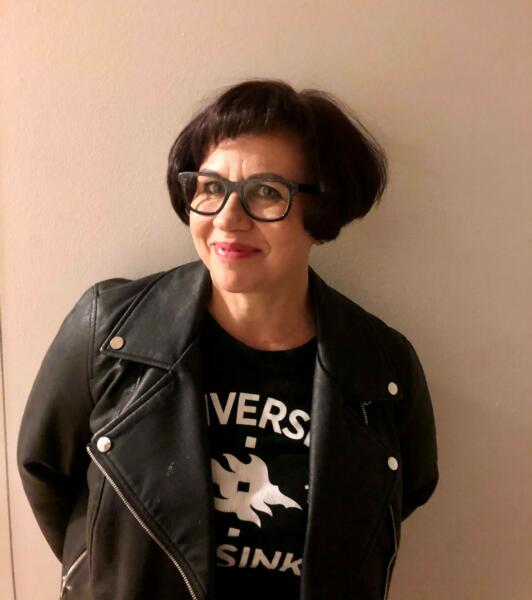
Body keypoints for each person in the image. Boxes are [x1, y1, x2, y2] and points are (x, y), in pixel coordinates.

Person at [17, 79, 438, 600]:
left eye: (267, 191)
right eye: (211, 187)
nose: (227, 218)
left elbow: (403, 493)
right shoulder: (109, 330)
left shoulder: (382, 368)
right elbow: (45, 471)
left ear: (322, 212)